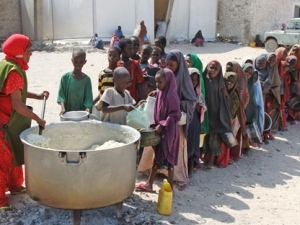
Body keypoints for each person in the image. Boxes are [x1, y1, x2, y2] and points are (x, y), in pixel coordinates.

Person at [0, 34, 49, 211]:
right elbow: (17, 104)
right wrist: (38, 119)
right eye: (28, 50)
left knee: (13, 154)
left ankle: (14, 186)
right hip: (3, 123)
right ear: (19, 53)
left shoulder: (6, 65)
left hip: (6, 122)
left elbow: (14, 92)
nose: (31, 54)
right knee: (2, 161)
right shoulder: (13, 72)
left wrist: (37, 96)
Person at [135, 68, 181, 192]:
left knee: (169, 161)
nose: (157, 85)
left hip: (169, 132)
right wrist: (156, 91)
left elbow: (176, 115)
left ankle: (170, 188)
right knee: (156, 157)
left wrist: (163, 124)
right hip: (161, 131)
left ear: (168, 82)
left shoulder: (172, 96)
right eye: (156, 82)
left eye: (160, 82)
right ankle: (149, 184)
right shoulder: (161, 93)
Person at [202, 60, 233, 170]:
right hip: (204, 114)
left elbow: (226, 101)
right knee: (204, 137)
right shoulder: (203, 79)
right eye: (211, 67)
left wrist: (225, 94)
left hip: (216, 115)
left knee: (214, 138)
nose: (212, 71)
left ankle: (211, 161)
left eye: (216, 69)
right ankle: (204, 157)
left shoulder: (221, 83)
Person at [57, 48, 93, 115]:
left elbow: (88, 97)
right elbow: (61, 96)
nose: (78, 64)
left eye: (80, 62)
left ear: (85, 62)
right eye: (75, 62)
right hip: (67, 113)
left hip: (82, 114)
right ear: (72, 61)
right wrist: (63, 108)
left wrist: (87, 108)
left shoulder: (87, 80)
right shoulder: (65, 78)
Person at [216, 71, 239, 167]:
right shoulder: (219, 90)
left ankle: (223, 161)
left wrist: (226, 96)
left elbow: (233, 109)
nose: (229, 83)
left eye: (231, 82)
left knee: (225, 142)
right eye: (227, 81)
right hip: (219, 119)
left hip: (228, 120)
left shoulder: (234, 95)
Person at [187, 68, 206, 174]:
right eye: (191, 79)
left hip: (194, 121)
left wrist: (196, 102)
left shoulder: (198, 93)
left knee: (192, 144)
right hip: (185, 121)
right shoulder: (182, 90)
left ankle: (190, 167)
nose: (193, 82)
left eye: (195, 80)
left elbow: (200, 109)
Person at [275, 47, 289, 130]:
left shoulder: (281, 63)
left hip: (280, 88)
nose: (286, 55)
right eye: (284, 53)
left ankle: (281, 124)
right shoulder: (276, 62)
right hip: (276, 89)